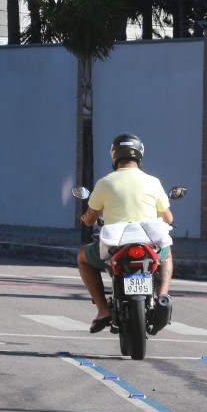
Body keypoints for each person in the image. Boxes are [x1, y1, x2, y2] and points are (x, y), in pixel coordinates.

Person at [77, 133, 175, 333]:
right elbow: (168, 218)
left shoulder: (105, 182)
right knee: (167, 255)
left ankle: (103, 310)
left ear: (114, 156)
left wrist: (86, 219)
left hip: (115, 246)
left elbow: (90, 217)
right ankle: (162, 297)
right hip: (149, 243)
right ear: (140, 155)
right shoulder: (153, 182)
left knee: (82, 258)